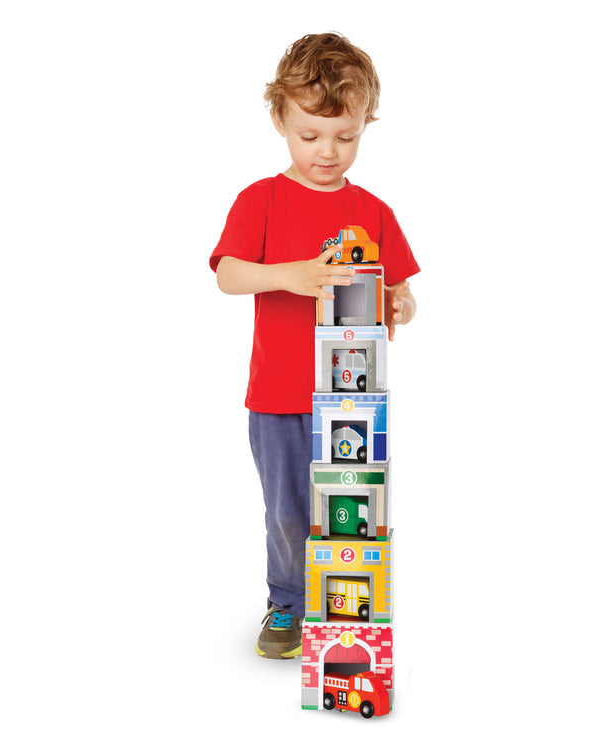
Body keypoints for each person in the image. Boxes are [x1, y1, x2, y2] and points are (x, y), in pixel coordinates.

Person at [210, 32, 420, 658]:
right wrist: (288, 275)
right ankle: (286, 603)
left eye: (345, 136)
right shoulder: (262, 199)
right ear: (280, 119)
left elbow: (403, 291)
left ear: (364, 126)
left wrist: (401, 306)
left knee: (348, 510)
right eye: (310, 135)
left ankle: (342, 607)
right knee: (287, 509)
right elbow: (227, 274)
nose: (328, 152)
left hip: (353, 399)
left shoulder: (374, 211)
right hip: (277, 399)